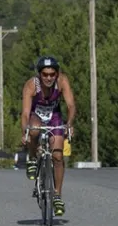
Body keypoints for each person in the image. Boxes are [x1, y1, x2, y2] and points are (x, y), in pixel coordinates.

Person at [20, 55, 76, 216]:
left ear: (57, 74)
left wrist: (69, 124)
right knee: (34, 129)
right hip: (35, 116)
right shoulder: (31, 85)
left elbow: (71, 106)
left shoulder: (62, 82)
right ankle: (32, 156)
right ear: (39, 74)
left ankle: (57, 195)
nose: (49, 78)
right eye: (45, 74)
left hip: (54, 116)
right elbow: (24, 113)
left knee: (58, 156)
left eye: (52, 74)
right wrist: (25, 131)